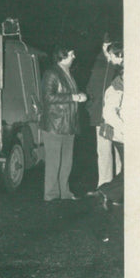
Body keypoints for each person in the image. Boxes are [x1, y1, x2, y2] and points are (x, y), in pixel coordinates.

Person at [41, 46, 87, 202]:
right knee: (54, 162)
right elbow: (48, 97)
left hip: (69, 125)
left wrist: (81, 96)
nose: (74, 56)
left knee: (67, 162)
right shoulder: (51, 73)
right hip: (55, 125)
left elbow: (70, 95)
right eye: (72, 54)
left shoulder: (68, 73)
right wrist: (73, 97)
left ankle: (65, 193)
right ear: (63, 56)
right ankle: (51, 195)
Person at [85, 34, 122, 193]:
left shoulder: (121, 65)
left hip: (118, 118)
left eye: (110, 44)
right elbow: (90, 89)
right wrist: (91, 107)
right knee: (103, 152)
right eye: (105, 44)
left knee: (120, 153)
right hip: (100, 118)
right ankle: (104, 187)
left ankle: (120, 189)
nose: (107, 48)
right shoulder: (98, 63)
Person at [97, 43, 123, 209]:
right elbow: (109, 111)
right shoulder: (116, 82)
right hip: (121, 132)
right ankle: (107, 191)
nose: (111, 59)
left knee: (129, 168)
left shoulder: (118, 73)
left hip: (120, 132)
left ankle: (108, 191)